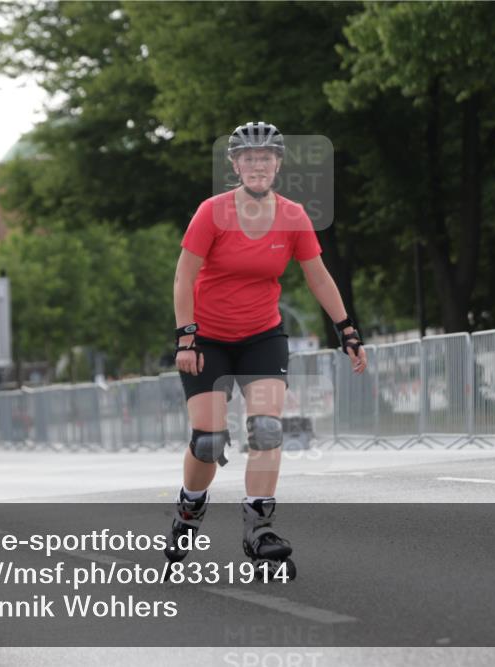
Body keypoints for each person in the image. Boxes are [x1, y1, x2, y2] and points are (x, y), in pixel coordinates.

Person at [165, 121, 367, 576]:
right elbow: (184, 277)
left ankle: (259, 528)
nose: (258, 164)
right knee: (208, 440)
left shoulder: (293, 215)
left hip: (262, 335)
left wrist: (347, 329)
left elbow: (318, 275)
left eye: (266, 157)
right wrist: (186, 336)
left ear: (278, 164)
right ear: (235, 165)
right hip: (207, 338)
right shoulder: (212, 212)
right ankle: (190, 508)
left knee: (268, 431)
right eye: (248, 158)